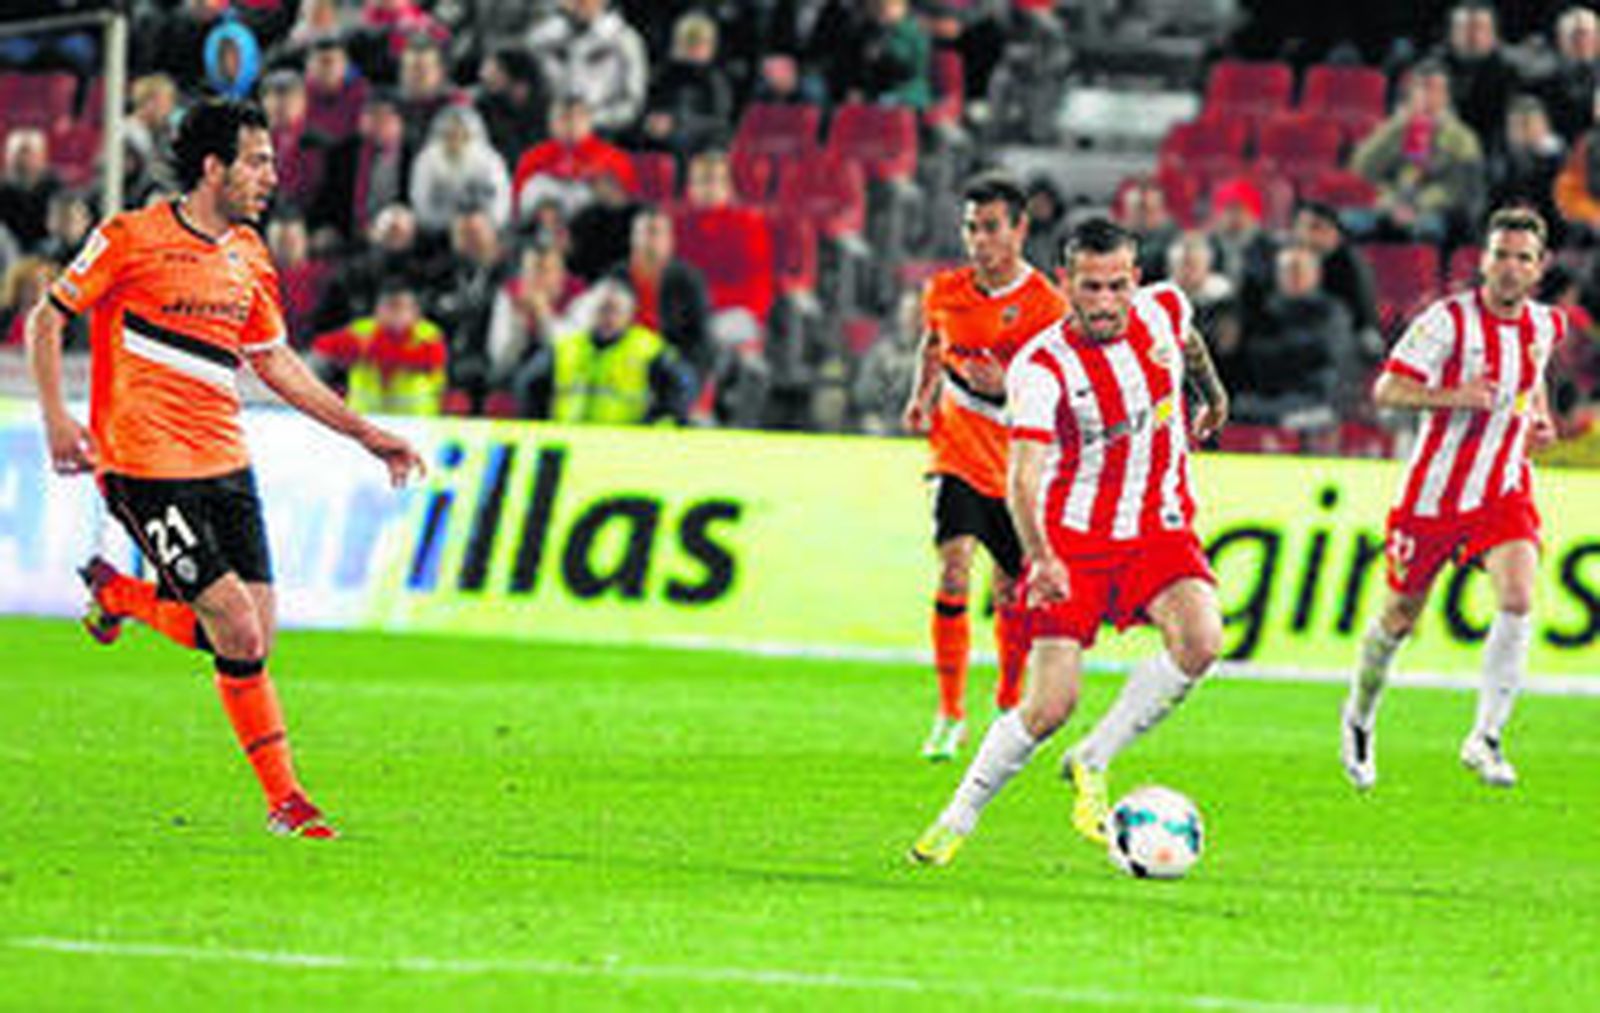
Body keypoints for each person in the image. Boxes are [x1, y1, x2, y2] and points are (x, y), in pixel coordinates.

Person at [23, 100, 425, 839]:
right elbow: (46, 318)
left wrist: (366, 434)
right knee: (236, 626)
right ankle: (288, 801)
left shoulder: (249, 254)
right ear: (213, 167)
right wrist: (56, 416)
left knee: (252, 636)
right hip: (143, 463)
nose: (272, 175)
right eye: (257, 161)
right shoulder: (129, 236)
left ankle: (119, 595)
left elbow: (276, 364)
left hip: (226, 462)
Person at [910, 218, 1230, 866]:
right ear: (1065, 284)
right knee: (1050, 704)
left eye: (1118, 285)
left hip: (1157, 526)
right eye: (1091, 287)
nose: (1107, 301)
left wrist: (1213, 396)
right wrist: (1043, 557)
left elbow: (1189, 345)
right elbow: (1020, 478)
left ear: (1135, 279)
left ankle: (1096, 755)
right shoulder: (1042, 367)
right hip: (1073, 541)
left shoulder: (1164, 307)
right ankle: (959, 813)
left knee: (1201, 639)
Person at [1340, 207, 1563, 793]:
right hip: (1433, 497)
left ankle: (1485, 737)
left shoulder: (1545, 325)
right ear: (1482, 260)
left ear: (1539, 269)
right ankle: (1360, 716)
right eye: (1500, 255)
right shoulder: (1446, 323)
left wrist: (1538, 416)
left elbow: (1532, 375)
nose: (1510, 268)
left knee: (1517, 597)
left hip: (1503, 489)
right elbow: (1386, 388)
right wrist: (1454, 395)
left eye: (1522, 258)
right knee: (1399, 617)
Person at [900, 173, 1067, 762]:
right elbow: (931, 344)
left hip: (1019, 467)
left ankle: (1007, 699)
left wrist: (1012, 386)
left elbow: (1065, 387)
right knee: (953, 570)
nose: (980, 239)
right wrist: (920, 397)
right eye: (972, 227)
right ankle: (949, 713)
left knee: (1010, 589)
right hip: (955, 453)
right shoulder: (944, 290)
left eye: (992, 227)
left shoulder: (1047, 305)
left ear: (1020, 230)